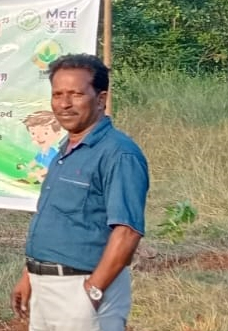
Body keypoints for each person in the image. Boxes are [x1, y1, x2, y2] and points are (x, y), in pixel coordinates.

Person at [11, 53, 149, 331]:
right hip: (45, 288)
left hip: (82, 291)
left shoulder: (118, 153)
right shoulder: (66, 149)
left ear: (101, 99)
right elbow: (59, 219)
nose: (64, 103)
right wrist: (30, 275)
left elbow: (127, 231)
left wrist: (92, 291)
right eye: (57, 94)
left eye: (75, 94)